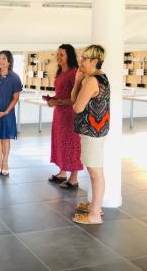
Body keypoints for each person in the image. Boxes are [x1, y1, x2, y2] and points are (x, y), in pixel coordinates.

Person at [71, 45, 110, 225]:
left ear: (95, 61)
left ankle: (95, 214)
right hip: (96, 131)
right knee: (95, 170)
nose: (81, 62)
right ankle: (94, 206)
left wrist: (82, 83)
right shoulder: (98, 77)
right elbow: (75, 100)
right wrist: (78, 81)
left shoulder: (93, 80)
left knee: (95, 173)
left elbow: (77, 106)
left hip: (92, 132)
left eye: (85, 59)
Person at [47, 44, 83, 188]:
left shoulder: (74, 73)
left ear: (69, 56)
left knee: (72, 143)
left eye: (61, 54)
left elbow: (76, 97)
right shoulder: (60, 73)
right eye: (57, 54)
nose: (58, 57)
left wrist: (58, 101)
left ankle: (73, 178)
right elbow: (61, 93)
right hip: (59, 114)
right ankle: (62, 172)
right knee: (60, 142)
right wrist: (53, 99)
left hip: (70, 114)